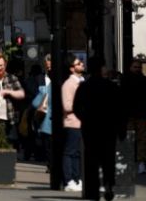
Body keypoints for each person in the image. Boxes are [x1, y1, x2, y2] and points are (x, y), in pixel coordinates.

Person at [74, 56, 125, 201]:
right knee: (108, 159)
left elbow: (76, 108)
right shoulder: (112, 87)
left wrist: (85, 119)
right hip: (108, 128)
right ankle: (109, 184)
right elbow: (120, 110)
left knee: (91, 161)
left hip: (90, 128)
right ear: (101, 68)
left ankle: (93, 191)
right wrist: (120, 128)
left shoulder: (84, 87)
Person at [122, 55, 146, 173]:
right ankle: (138, 162)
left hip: (138, 114)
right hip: (135, 114)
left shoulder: (125, 80)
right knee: (137, 139)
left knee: (139, 139)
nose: (137, 69)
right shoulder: (145, 81)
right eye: (135, 67)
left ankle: (138, 162)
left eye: (138, 67)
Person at [61, 53, 85, 192]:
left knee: (77, 153)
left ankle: (77, 179)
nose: (81, 64)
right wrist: (82, 105)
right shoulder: (69, 84)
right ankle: (69, 180)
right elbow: (66, 105)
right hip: (72, 122)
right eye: (78, 63)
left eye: (80, 63)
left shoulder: (81, 82)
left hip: (81, 122)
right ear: (71, 68)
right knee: (70, 152)